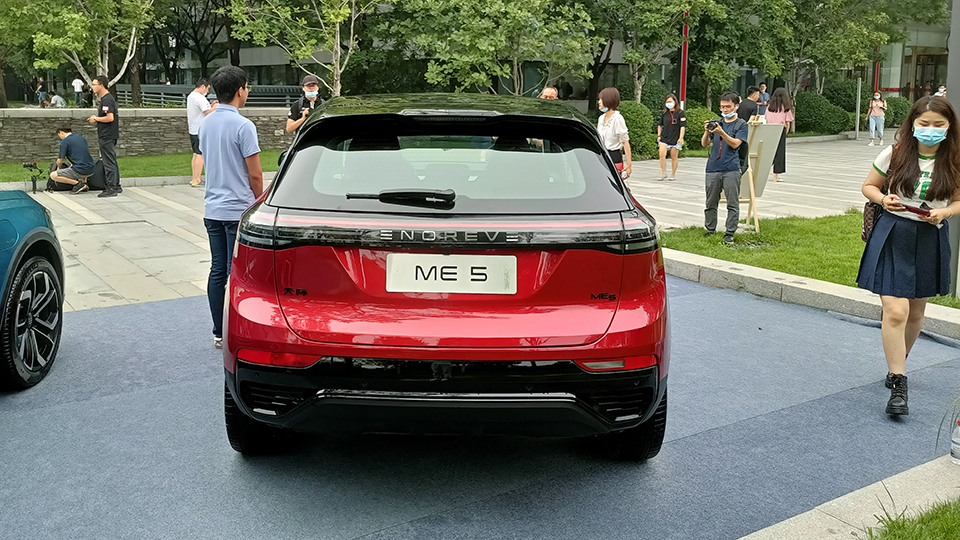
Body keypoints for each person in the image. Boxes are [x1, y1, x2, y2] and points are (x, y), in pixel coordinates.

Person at [857, 96, 960, 416]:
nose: (930, 130)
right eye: (924, 123)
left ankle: (896, 365)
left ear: (949, 127)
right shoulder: (896, 152)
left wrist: (945, 212)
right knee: (896, 310)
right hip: (893, 233)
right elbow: (869, 186)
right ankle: (899, 382)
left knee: (916, 312)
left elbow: (958, 200)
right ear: (912, 123)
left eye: (938, 125)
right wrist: (883, 200)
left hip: (929, 236)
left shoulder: (955, 159)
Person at [198, 66, 264, 349]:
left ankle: (219, 331)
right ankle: (239, 329)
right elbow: (255, 175)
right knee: (236, 273)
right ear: (240, 90)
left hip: (213, 209)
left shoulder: (206, 123)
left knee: (217, 270)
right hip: (238, 210)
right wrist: (260, 202)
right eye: (247, 88)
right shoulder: (243, 126)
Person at [701, 92, 749, 244]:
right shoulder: (717, 122)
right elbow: (704, 144)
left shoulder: (741, 125)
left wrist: (721, 132)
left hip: (731, 168)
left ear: (736, 106)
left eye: (728, 106)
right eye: (722, 107)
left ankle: (729, 233)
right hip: (713, 167)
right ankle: (710, 229)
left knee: (732, 203)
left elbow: (735, 144)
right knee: (710, 202)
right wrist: (707, 131)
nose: (725, 109)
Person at [87, 75, 121, 198]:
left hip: (107, 135)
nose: (92, 87)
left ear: (101, 85)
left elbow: (110, 117)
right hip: (109, 134)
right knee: (112, 160)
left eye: (94, 84)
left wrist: (95, 119)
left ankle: (111, 187)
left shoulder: (107, 100)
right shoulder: (106, 99)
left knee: (108, 162)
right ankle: (116, 185)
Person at [187, 78, 218, 186]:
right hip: (200, 129)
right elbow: (208, 112)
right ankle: (197, 180)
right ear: (203, 86)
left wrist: (212, 105)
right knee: (200, 154)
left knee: (196, 154)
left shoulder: (191, 96)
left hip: (193, 129)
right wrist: (216, 107)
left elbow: (203, 110)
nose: (208, 91)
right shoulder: (199, 97)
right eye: (207, 88)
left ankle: (195, 178)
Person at [596, 87, 632, 180]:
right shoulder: (601, 118)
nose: (599, 102)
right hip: (602, 156)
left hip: (614, 156)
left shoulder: (617, 118)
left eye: (601, 99)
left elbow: (625, 142)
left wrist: (629, 165)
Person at [50, 126, 96, 194]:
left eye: (59, 135)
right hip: (92, 169)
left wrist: (58, 168)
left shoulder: (64, 142)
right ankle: (84, 183)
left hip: (80, 170)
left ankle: (78, 184)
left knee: (53, 175)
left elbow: (60, 159)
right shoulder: (81, 137)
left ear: (61, 132)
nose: (59, 137)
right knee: (81, 162)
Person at [764, 88, 794, 182]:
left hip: (770, 129)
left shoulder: (769, 107)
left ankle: (764, 172)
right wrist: (786, 131)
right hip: (780, 129)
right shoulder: (785, 108)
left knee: (770, 152)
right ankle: (775, 176)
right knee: (779, 153)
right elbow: (788, 122)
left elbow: (766, 118)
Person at [656, 93, 685, 181]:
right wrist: (659, 135)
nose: (669, 103)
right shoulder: (664, 113)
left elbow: (682, 126)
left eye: (670, 101)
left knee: (674, 156)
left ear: (675, 102)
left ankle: (673, 174)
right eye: (667, 102)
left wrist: (681, 138)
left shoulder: (680, 113)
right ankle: (663, 173)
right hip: (664, 137)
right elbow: (660, 125)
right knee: (662, 154)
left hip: (675, 137)